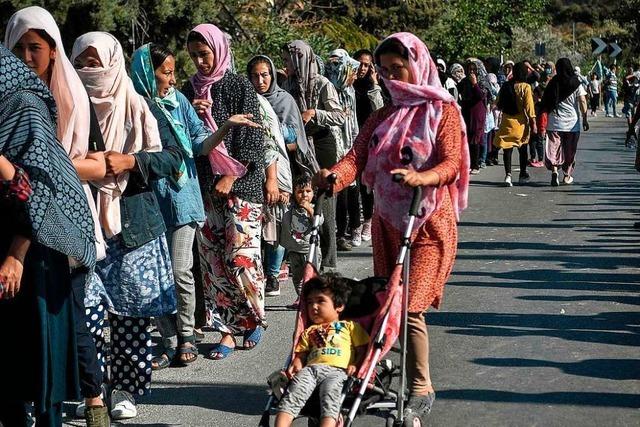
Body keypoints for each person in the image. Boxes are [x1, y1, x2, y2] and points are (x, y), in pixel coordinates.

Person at [315, 32, 469, 418]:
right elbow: (356, 156)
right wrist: (334, 177)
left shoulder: (442, 111)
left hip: (430, 223)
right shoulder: (384, 115)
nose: (390, 77)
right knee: (387, 303)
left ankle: (421, 385)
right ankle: (371, 368)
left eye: (397, 68)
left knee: (411, 307)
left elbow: (451, 163)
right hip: (387, 224)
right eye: (383, 71)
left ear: (417, 63)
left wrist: (424, 177)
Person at [4, 6, 111, 425]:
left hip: (54, 230)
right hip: (21, 219)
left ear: (52, 51)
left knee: (56, 336)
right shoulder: (8, 96)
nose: (27, 57)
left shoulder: (65, 97)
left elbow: (94, 165)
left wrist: (61, 169)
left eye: (35, 48)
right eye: (18, 48)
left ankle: (93, 398)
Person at [130, 43, 262, 369]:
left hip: (182, 197)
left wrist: (227, 126)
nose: (173, 80)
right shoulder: (131, 107)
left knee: (177, 271)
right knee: (153, 277)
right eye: (167, 72)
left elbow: (201, 145)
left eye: (174, 72)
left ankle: (187, 333)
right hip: (145, 203)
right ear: (148, 73)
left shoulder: (180, 104)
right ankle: (168, 340)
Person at [71, 31, 182, 418]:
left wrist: (132, 162)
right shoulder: (66, 106)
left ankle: (126, 390)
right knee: (87, 315)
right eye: (81, 63)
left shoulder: (140, 105)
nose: (89, 71)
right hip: (82, 226)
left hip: (133, 226)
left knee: (132, 316)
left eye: (96, 62)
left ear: (114, 63)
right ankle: (93, 389)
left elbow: (173, 158)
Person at [183, 24, 266, 359]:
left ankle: (254, 318)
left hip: (241, 185)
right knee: (213, 262)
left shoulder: (237, 84)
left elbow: (254, 136)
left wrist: (230, 178)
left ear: (218, 49)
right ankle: (227, 330)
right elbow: (189, 140)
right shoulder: (190, 90)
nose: (201, 61)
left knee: (240, 257)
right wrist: (197, 114)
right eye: (194, 56)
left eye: (205, 53)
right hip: (205, 187)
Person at [282, 40, 345, 271]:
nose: (286, 65)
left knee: (324, 203)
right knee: (300, 200)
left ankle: (328, 263)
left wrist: (314, 113)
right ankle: (303, 258)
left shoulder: (321, 84)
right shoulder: (286, 86)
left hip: (321, 146)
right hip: (297, 149)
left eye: (288, 60)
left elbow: (340, 116)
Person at [275, 274, 369, 427]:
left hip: (338, 371)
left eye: (320, 301)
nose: (313, 307)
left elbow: (362, 349)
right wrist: (297, 361)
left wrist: (357, 364)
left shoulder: (350, 326)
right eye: (310, 302)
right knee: (293, 396)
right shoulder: (309, 331)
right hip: (311, 369)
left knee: (330, 397)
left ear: (339, 306)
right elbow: (302, 352)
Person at [247, 55, 304, 297]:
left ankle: (273, 274)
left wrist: (278, 136)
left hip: (278, 167)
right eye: (255, 76)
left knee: (278, 222)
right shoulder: (247, 101)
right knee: (262, 223)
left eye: (265, 74)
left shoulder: (284, 100)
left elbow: (295, 139)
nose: (260, 80)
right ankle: (262, 272)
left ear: (272, 75)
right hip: (253, 168)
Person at [325, 49, 362, 251]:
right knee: (333, 189)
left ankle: (342, 232)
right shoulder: (327, 87)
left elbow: (353, 120)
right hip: (331, 143)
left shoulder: (349, 91)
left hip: (348, 144)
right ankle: (334, 234)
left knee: (347, 191)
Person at [540, 58, 589, 186]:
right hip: (571, 124)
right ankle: (567, 175)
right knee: (569, 150)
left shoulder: (553, 82)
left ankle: (554, 170)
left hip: (554, 122)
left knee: (553, 147)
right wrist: (585, 118)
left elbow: (545, 101)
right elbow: (583, 101)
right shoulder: (576, 82)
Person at [353, 49, 384, 244]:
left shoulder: (374, 87)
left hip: (370, 142)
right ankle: (354, 225)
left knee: (366, 186)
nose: (362, 68)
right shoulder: (347, 84)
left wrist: (374, 84)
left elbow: (380, 111)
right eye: (359, 64)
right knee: (352, 187)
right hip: (351, 139)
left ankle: (367, 221)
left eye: (367, 65)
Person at [279, 175, 323, 300]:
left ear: (313, 193)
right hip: (294, 250)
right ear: (294, 193)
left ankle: (312, 298)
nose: (304, 195)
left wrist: (309, 210)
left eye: (308, 191)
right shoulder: (290, 210)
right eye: (300, 191)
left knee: (311, 277)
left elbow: (319, 222)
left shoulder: (315, 209)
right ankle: (302, 298)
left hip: (311, 250)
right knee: (297, 278)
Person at [493, 61, 537, 186]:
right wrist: (533, 123)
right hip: (521, 123)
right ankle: (522, 173)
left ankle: (508, 175)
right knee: (523, 149)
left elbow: (497, 102)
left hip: (507, 122)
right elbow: (529, 108)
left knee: (507, 149)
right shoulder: (525, 87)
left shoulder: (506, 86)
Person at [458, 58, 488, 174]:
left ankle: (476, 165)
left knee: (475, 137)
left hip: (477, 112)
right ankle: (467, 163)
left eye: (473, 70)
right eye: (469, 70)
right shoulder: (465, 81)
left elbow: (481, 95)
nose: (471, 72)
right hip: (467, 110)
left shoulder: (482, 81)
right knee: (467, 136)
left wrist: (475, 84)